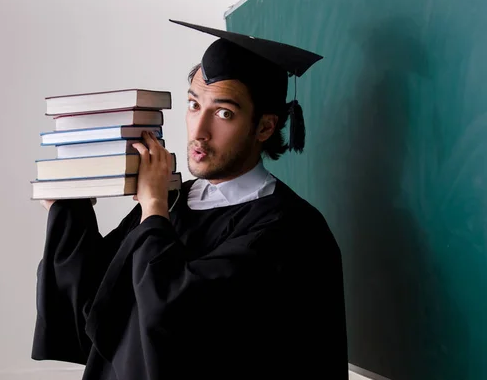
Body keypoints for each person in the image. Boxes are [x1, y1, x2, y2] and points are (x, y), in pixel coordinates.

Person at [31, 19, 348, 380]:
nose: (198, 132)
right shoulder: (177, 201)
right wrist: (67, 208)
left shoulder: (290, 230)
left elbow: (175, 321)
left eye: (223, 113)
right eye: (194, 105)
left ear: (264, 127)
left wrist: (153, 208)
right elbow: (97, 303)